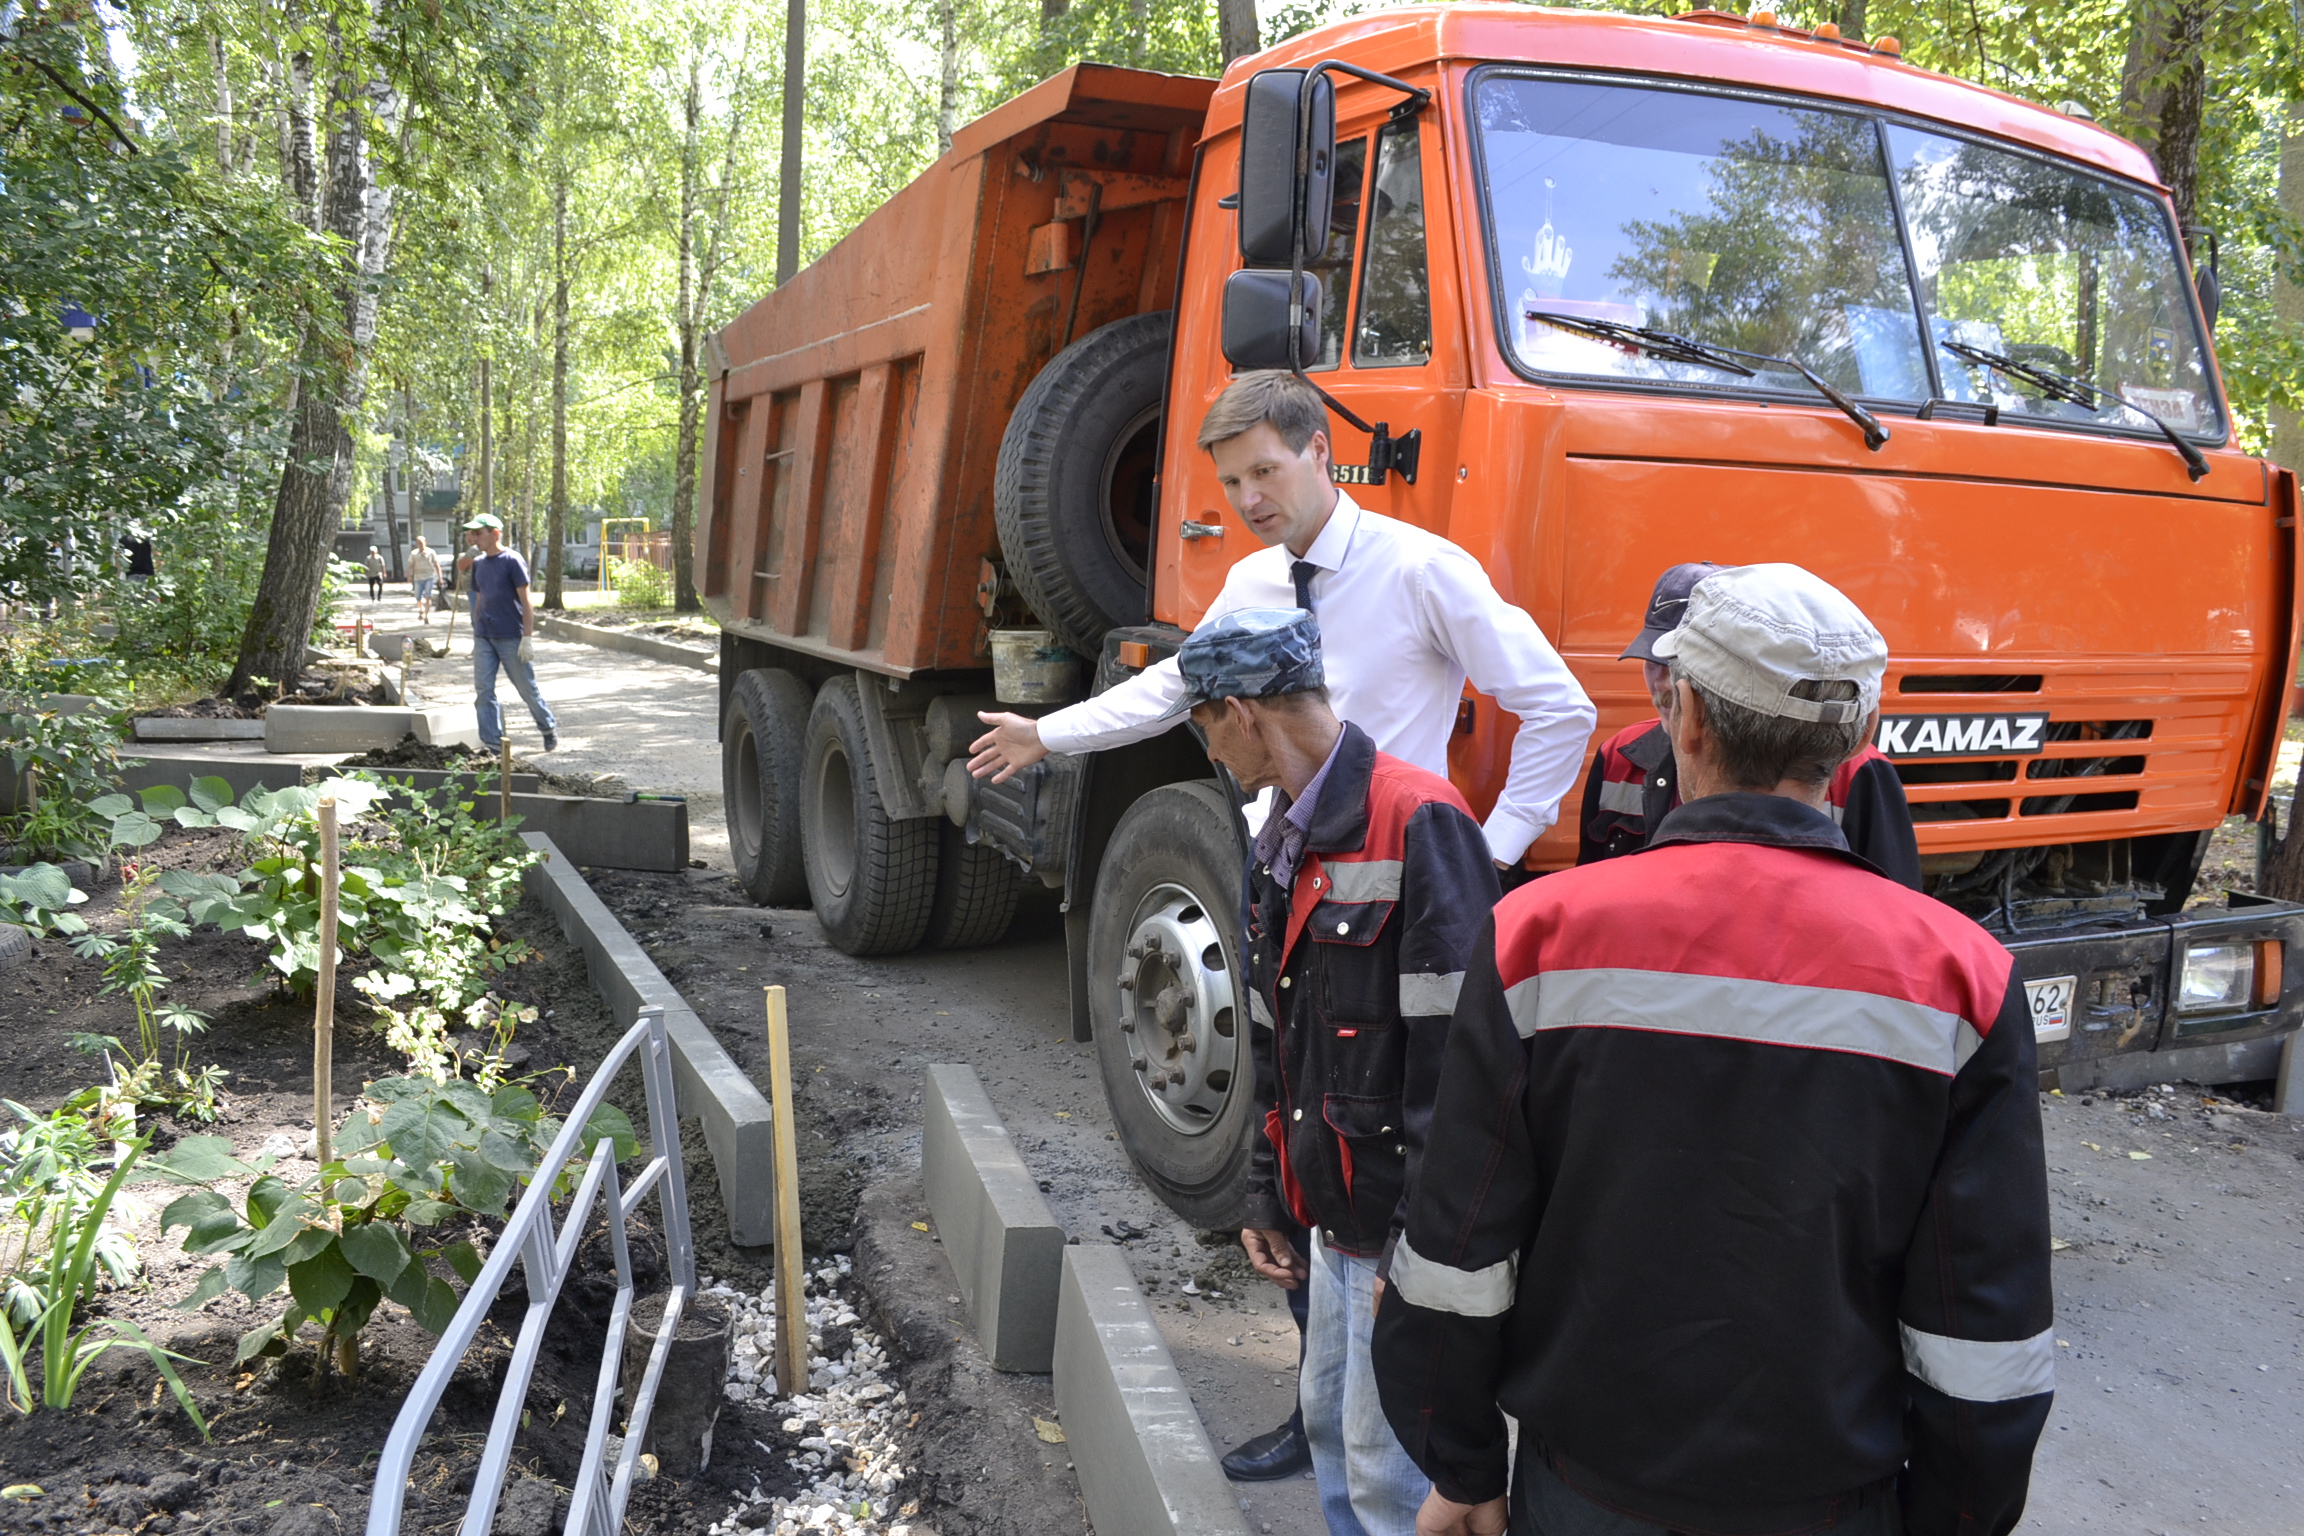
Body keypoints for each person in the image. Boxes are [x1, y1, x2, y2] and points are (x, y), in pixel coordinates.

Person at [969, 371, 1594, 1483]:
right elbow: (1174, 693)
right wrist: (1048, 735)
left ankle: (1401, 1442)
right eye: (1232, 480)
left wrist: (1485, 851)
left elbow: (1560, 706)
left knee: (1390, 1139)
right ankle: (1319, 1408)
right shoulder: (1256, 579)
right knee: (1303, 1134)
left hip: (1394, 901)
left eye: (1266, 470)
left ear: (1319, 454)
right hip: (1288, 893)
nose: (1250, 498)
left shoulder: (1422, 571)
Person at [1372, 564, 2053, 1536]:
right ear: (1855, 742)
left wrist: (1464, 1458)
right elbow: (1984, 1329)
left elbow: (1456, 1249)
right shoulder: (1963, 981)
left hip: (1584, 1495)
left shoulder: (1536, 939)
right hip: (1832, 1507)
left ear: (1686, 716)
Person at [1178, 606, 1499, 1536]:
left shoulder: (1418, 820)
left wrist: (1421, 1248)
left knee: (1386, 1474)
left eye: (1203, 726)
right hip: (1331, 1219)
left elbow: (1465, 1067)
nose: (1209, 751)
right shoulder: (1284, 833)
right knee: (1333, 1436)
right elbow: (1280, 1042)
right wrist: (1265, 1194)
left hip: (1391, 1228)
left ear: (1239, 710)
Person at [1577, 562, 1922, 888]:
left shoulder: (1861, 774)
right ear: (1866, 728)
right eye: (1653, 660)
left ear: (1692, 706)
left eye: (1683, 666)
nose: (1665, 682)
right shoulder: (1618, 755)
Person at [461, 512, 558, 752]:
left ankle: (547, 727)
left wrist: (527, 637)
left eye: (478, 533)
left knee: (525, 686)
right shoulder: (479, 564)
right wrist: (477, 631)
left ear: (495, 534)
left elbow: (526, 601)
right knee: (483, 690)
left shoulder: (512, 560)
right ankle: (493, 744)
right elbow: (480, 598)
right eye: (472, 533)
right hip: (484, 635)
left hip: (511, 636)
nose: (474, 538)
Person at [407, 537, 441, 624]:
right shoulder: (414, 553)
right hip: (418, 577)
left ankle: (427, 616)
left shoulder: (431, 552)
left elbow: (437, 565)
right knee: (418, 596)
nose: (420, 544)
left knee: (428, 596)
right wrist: (409, 575)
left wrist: (440, 577)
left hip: (429, 577)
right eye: (418, 543)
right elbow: (411, 565)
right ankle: (421, 610)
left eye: (421, 542)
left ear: (425, 542)